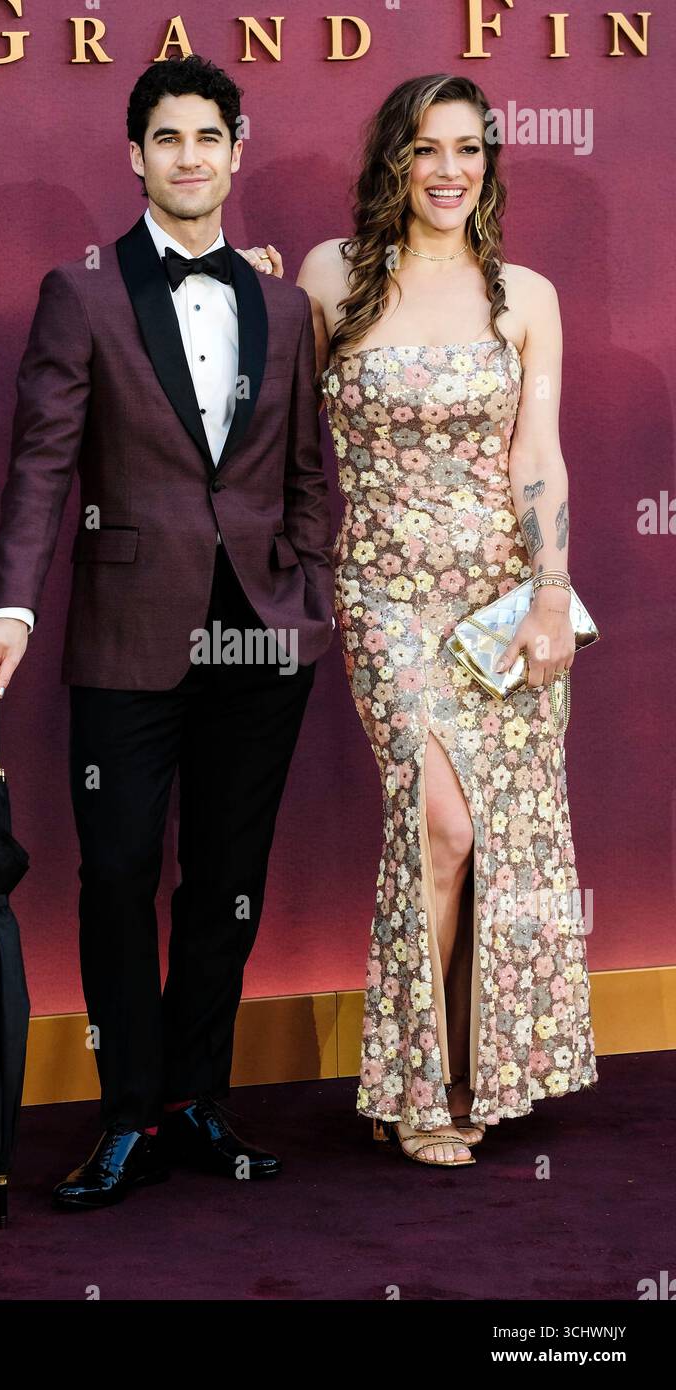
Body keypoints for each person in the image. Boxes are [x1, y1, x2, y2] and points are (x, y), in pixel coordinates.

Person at [0, 54, 335, 1207]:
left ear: (237, 147)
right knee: (118, 875)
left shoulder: (281, 303)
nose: (188, 157)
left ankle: (194, 1101)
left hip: (264, 639)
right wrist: (13, 604)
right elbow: (41, 465)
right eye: (166, 138)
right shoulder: (80, 294)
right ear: (135, 156)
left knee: (226, 878)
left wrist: (308, 579)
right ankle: (126, 1114)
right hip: (128, 633)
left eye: (207, 137)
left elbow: (309, 468)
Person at [239, 73, 597, 1166]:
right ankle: (415, 1087)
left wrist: (548, 593)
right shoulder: (332, 277)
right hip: (387, 592)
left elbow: (537, 454)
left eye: (470, 152)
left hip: (503, 601)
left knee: (502, 839)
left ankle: (484, 1067)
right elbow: (273, 406)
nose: (449, 172)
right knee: (439, 822)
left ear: (491, 165)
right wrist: (250, 295)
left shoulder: (523, 294)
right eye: (426, 151)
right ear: (392, 161)